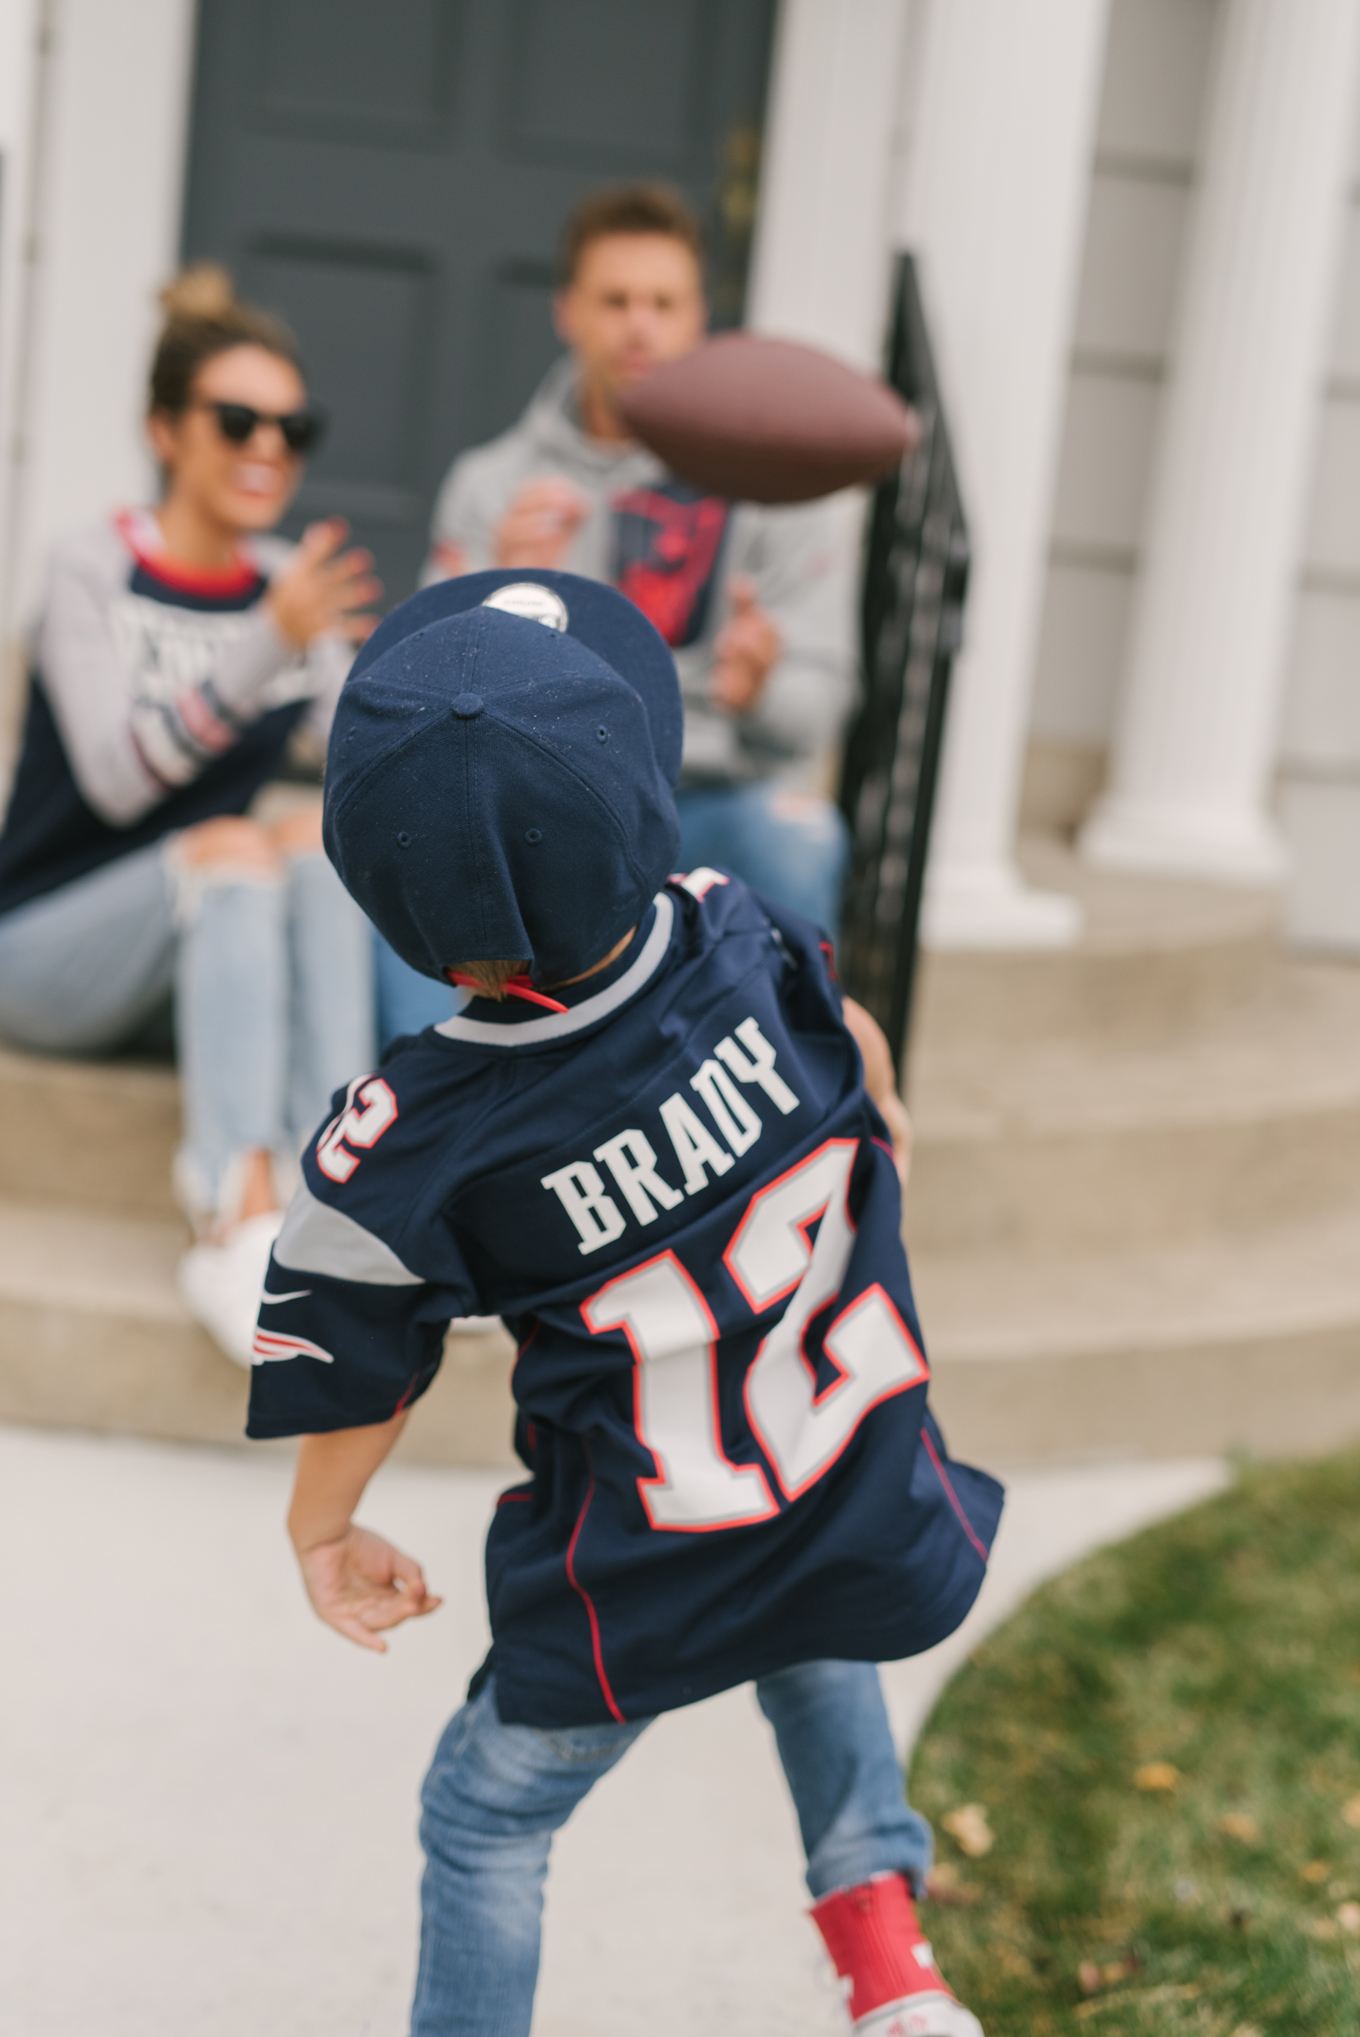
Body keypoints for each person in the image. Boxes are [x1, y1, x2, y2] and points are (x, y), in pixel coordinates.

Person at [246, 567, 1000, 2037]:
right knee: (812, 1599)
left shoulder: (416, 1139)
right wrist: (883, 1111)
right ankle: (892, 1968)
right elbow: (848, 1033)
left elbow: (356, 1354)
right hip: (836, 1467)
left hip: (641, 1568)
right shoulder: (743, 932)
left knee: (482, 1820)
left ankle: (873, 1962)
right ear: (641, 807)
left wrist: (322, 1528)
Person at [0, 265, 380, 1364]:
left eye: (291, 425)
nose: (268, 446)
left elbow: (362, 756)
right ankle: (232, 1215)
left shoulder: (282, 580)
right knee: (231, 845)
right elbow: (120, 781)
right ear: (165, 430)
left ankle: (341, 1199)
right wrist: (269, 639)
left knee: (311, 837)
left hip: (202, 943)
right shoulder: (94, 568)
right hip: (42, 947)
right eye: (236, 419)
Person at [423, 183, 855, 939]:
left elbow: (815, 713)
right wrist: (498, 599)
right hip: (545, 805)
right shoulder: (491, 486)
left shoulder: (773, 485)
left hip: (717, 792)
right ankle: (439, 1061)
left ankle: (787, 1057)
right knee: (431, 838)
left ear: (699, 316)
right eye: (615, 300)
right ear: (568, 311)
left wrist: (758, 692)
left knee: (797, 834)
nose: (639, 327)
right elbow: (427, 706)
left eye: (663, 303)